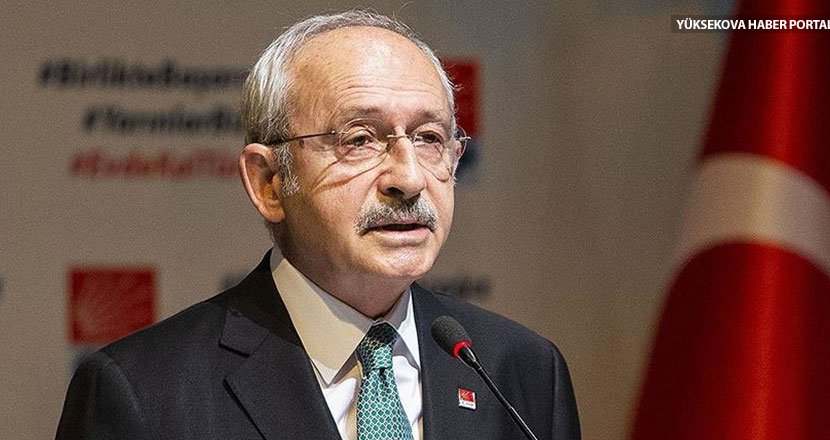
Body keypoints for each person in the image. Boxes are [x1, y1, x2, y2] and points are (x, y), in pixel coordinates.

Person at [56, 10, 580, 440]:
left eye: (429, 138)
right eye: (360, 140)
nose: (409, 178)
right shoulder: (143, 395)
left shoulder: (523, 371)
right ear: (268, 183)